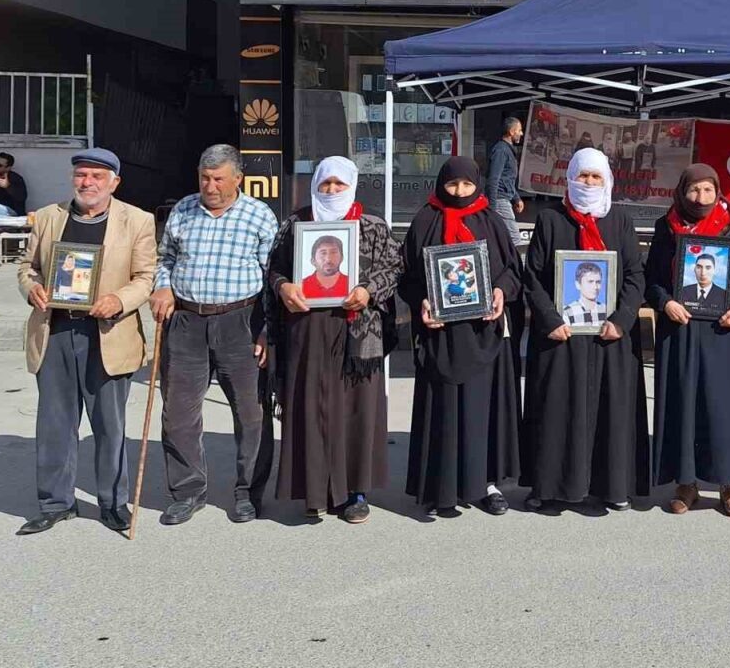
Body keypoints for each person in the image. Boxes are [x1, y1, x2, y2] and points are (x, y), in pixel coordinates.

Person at [15, 149, 155, 535]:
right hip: (56, 331)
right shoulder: (49, 217)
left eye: (97, 176)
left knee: (109, 425)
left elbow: (146, 277)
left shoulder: (137, 220)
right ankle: (56, 502)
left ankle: (112, 502)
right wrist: (32, 288)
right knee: (55, 423)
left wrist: (119, 300)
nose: (87, 182)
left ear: (114, 182)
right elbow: (28, 267)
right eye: (81, 174)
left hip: (107, 334)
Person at [265, 157, 400, 523]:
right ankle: (315, 491)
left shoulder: (372, 225)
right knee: (311, 409)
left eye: (339, 184)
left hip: (358, 334)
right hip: (307, 330)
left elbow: (394, 268)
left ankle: (356, 493)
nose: (332, 190)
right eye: (325, 184)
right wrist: (283, 286)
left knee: (357, 412)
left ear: (352, 185)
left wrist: (368, 291)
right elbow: (274, 268)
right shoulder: (296, 224)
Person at [150, 144, 279, 526]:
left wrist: (268, 330)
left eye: (218, 179)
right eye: (204, 178)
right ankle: (188, 492)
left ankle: (248, 493)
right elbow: (165, 259)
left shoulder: (258, 215)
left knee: (251, 414)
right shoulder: (183, 210)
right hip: (186, 321)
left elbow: (272, 277)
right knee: (178, 414)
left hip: (242, 322)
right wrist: (162, 286)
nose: (210, 186)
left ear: (238, 178)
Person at [521, 147, 649, 512]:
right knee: (556, 409)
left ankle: (612, 487)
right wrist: (551, 320)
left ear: (607, 180)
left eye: (596, 176)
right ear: (570, 177)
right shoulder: (550, 219)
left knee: (611, 410)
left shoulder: (620, 221)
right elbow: (533, 277)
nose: (589, 183)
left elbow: (634, 275)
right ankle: (549, 487)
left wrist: (622, 320)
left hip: (610, 336)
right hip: (562, 337)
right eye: (583, 175)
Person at [400, 156, 522, 517]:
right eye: (452, 184)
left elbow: (512, 270)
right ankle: (441, 488)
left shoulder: (491, 220)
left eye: (467, 184)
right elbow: (406, 275)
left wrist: (500, 291)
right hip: (441, 335)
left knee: (483, 411)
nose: (459, 191)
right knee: (444, 411)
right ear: (441, 184)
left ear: (477, 184)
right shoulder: (425, 220)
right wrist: (421, 301)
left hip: (483, 332)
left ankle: (486, 485)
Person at [646, 163, 730, 517]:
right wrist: (666, 303)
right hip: (680, 328)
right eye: (694, 189)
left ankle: (728, 484)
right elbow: (652, 278)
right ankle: (686, 483)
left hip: (723, 329)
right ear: (683, 191)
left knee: (724, 406)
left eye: (708, 189)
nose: (701, 197)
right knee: (684, 404)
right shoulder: (666, 227)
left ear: (717, 191)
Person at [487, 116, 525, 243]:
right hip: (500, 200)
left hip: (504, 199)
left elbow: (506, 179)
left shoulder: (507, 150)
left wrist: (516, 198)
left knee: (503, 238)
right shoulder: (501, 150)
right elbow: (493, 179)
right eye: (519, 130)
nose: (521, 133)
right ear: (511, 132)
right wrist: (492, 207)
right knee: (515, 239)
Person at [301, 235, 350, 300]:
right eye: (323, 253)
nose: (328, 259)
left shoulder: (352, 284)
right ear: (313, 260)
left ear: (342, 258)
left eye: (333, 252)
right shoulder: (301, 286)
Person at [561, 261, 608, 326]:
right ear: (578, 284)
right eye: (590, 282)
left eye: (598, 282)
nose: (595, 287)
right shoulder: (567, 312)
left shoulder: (606, 310)